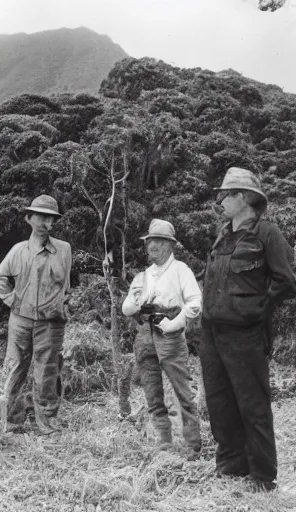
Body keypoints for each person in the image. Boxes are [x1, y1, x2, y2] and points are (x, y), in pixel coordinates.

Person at [201, 167, 296, 492]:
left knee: (252, 404)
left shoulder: (267, 233)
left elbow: (286, 281)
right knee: (219, 401)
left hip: (246, 335)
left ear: (242, 198)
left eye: (226, 195)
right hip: (212, 333)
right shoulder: (223, 235)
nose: (221, 201)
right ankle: (230, 466)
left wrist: (258, 311)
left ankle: (262, 476)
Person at [0, 194, 72, 435]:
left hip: (51, 322)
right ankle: (12, 424)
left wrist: (61, 305)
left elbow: (65, 284)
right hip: (21, 320)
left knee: (47, 371)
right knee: (16, 369)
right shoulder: (18, 251)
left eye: (50, 218)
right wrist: (11, 300)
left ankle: (47, 425)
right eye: (40, 216)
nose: (45, 222)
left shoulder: (64, 250)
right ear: (29, 218)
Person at [121, 219, 202, 458]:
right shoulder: (142, 276)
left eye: (157, 241)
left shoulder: (181, 271)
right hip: (145, 332)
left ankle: (192, 444)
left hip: (170, 331)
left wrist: (176, 323)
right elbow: (126, 308)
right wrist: (135, 301)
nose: (151, 246)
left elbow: (195, 303)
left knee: (182, 388)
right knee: (151, 388)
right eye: (149, 241)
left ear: (169, 245)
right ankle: (164, 441)